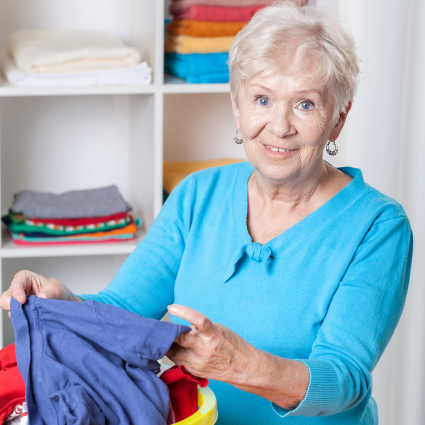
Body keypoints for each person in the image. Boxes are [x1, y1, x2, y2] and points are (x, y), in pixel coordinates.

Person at [0, 3, 413, 424]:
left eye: (305, 104)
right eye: (262, 99)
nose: (279, 125)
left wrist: (240, 365)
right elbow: (122, 309)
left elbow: (345, 378)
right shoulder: (198, 194)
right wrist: (63, 301)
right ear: (237, 106)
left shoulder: (377, 226)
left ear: (338, 118)